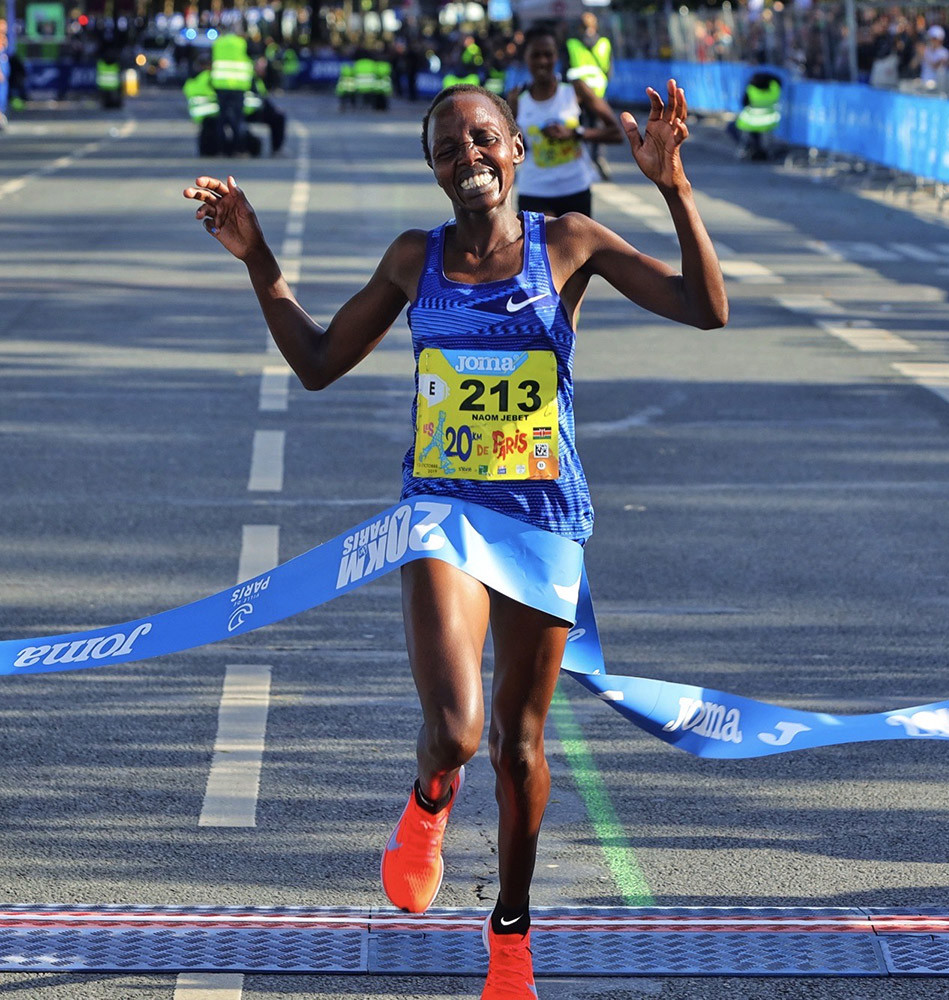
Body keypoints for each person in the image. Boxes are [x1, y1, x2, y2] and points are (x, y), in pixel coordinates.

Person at [183, 79, 727, 999]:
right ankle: (432, 795)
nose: (468, 156)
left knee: (520, 747)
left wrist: (674, 187)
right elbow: (318, 362)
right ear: (434, 168)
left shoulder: (569, 243)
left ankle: (509, 935)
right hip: (442, 515)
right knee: (458, 731)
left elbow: (706, 308)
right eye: (448, 147)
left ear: (516, 148)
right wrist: (258, 256)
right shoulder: (415, 259)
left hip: (543, 521)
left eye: (482, 139)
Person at [506, 25, 621, 219]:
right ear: (526, 58)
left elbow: (616, 133)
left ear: (556, 56)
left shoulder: (574, 89)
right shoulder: (517, 97)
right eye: (535, 55)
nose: (542, 61)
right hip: (534, 190)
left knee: (574, 240)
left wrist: (575, 133)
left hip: (575, 188)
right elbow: (507, 147)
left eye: (548, 54)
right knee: (543, 240)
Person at [565, 12, 613, 178]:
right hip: (598, 94)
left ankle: (581, 161)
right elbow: (608, 70)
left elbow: (565, 69)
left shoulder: (571, 44)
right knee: (597, 128)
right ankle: (598, 158)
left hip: (577, 95)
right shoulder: (604, 43)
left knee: (578, 129)